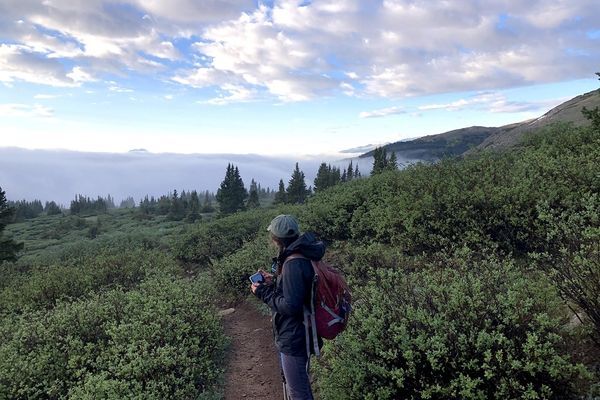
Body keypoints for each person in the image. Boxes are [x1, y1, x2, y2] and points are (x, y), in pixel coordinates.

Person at [251, 214, 324, 400]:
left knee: (298, 391)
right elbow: (296, 291)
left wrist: (262, 293)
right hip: (297, 331)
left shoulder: (293, 262)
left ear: (276, 239)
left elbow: (291, 306)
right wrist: (274, 281)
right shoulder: (298, 255)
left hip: (294, 335)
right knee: (296, 387)